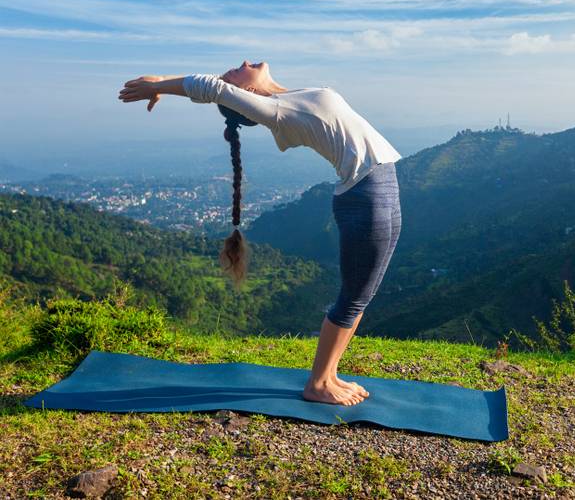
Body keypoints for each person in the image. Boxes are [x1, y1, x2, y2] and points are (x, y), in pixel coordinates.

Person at [118, 60, 402, 406]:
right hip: (365, 194)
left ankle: (329, 375)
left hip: (379, 187)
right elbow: (214, 88)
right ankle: (318, 383)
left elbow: (222, 87)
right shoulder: (277, 111)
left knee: (362, 294)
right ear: (246, 93)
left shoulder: (289, 97)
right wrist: (160, 83)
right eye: (233, 73)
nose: (240, 65)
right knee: (355, 296)